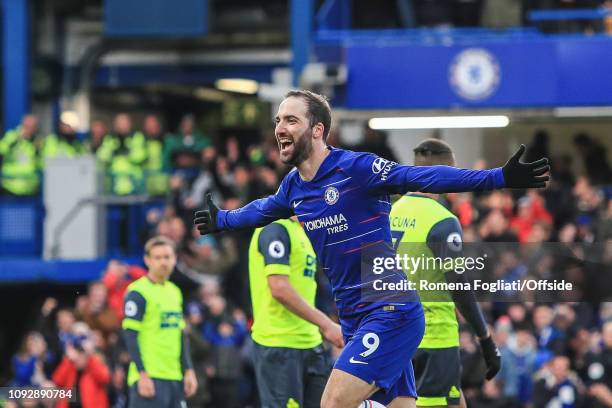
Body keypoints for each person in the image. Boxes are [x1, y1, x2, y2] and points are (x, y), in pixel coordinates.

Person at [194, 89, 549, 407]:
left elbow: (421, 176)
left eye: (291, 119)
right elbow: (262, 209)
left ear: (317, 129)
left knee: (332, 403)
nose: (280, 127)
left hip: (391, 312)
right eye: (278, 120)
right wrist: (222, 219)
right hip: (355, 318)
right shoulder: (293, 187)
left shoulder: (357, 168)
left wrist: (498, 177)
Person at [389, 139, 501, 408]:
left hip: (393, 335)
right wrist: (485, 338)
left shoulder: (390, 212)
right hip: (433, 338)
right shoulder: (441, 220)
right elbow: (458, 284)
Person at [249, 217, 343, 407]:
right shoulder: (274, 228)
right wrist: (327, 325)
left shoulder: (302, 231)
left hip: (311, 344)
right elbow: (279, 288)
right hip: (279, 344)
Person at [122, 236, 198, 408]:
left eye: (167, 257)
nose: (163, 262)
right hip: (150, 377)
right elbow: (130, 335)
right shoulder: (137, 292)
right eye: (158, 258)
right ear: (147, 260)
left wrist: (188, 370)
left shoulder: (175, 292)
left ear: (174, 259)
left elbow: (179, 335)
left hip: (174, 376)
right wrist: (142, 374)